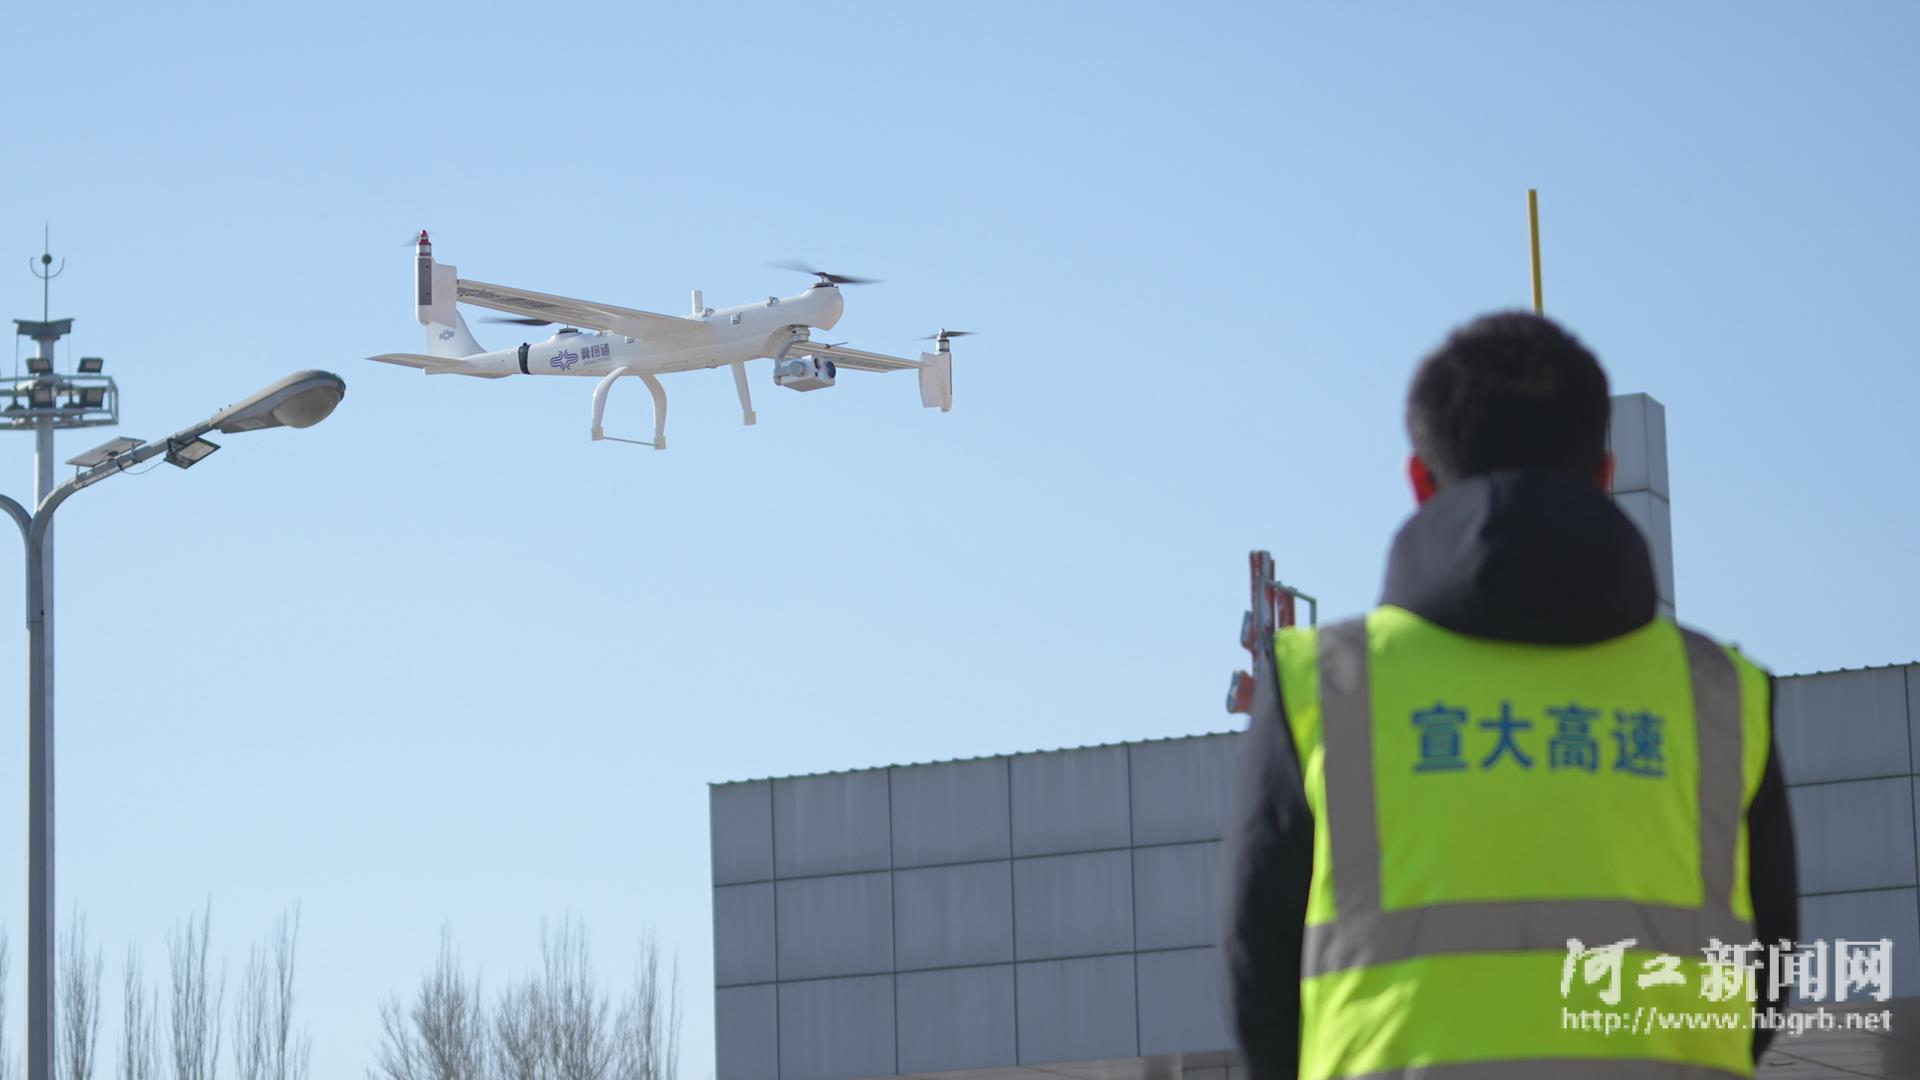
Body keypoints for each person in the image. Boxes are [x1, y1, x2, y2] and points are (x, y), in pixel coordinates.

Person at [1219, 312, 1798, 1080]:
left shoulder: (1321, 687)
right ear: (1604, 473)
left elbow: (1257, 978)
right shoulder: (1721, 696)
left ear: (1420, 482)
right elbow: (1771, 974)